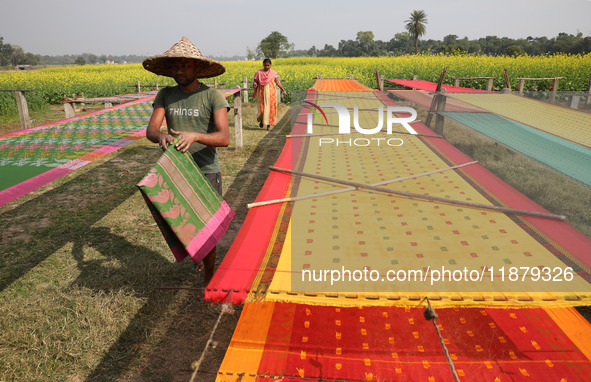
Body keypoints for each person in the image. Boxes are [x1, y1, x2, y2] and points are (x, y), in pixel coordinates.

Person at [143, 36, 230, 286]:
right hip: (175, 171)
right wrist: (162, 136)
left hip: (205, 170)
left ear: (197, 68)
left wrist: (196, 136)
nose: (180, 71)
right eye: (175, 66)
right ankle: (197, 255)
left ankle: (209, 278)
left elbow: (224, 137)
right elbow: (151, 130)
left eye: (186, 66)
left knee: (209, 230)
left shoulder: (213, 96)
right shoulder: (166, 95)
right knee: (181, 224)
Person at [253, 58, 288, 131]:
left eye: (268, 65)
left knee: (270, 110)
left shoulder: (273, 73)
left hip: (271, 95)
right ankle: (262, 120)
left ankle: (268, 126)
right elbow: (255, 81)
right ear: (263, 65)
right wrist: (255, 84)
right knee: (262, 110)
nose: (267, 67)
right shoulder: (259, 73)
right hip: (262, 94)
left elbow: (278, 82)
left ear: (270, 65)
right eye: (265, 65)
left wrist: (283, 90)